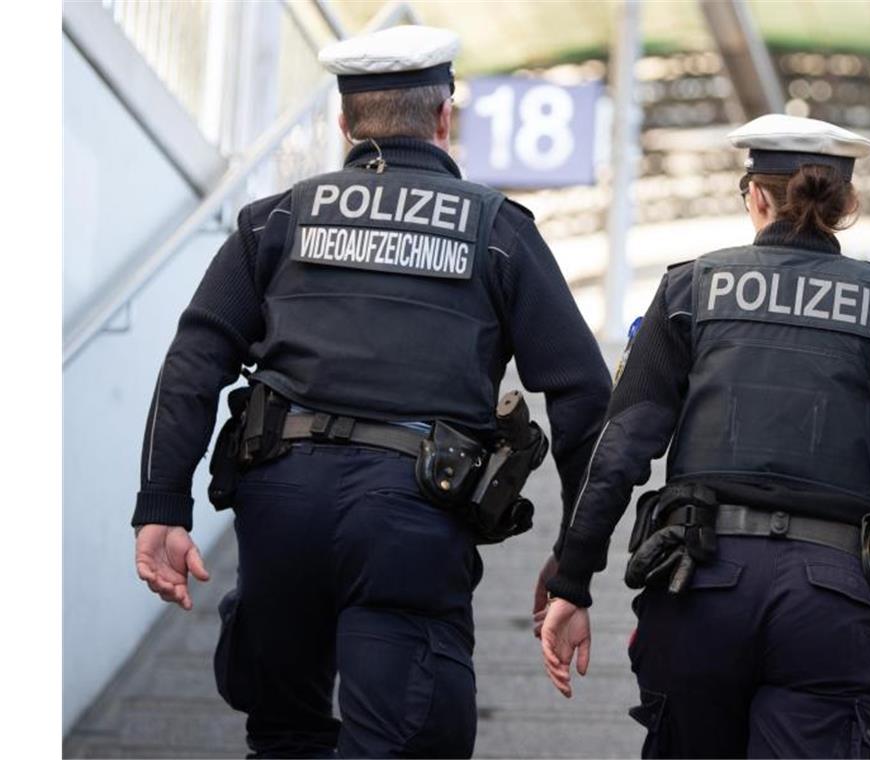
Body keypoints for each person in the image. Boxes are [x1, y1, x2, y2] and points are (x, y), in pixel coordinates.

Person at [131, 24, 611, 759]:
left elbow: (196, 355)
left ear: (344, 122)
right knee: (405, 739)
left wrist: (163, 503)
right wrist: (574, 561)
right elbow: (583, 395)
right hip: (410, 521)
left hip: (279, 509)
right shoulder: (496, 233)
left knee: (283, 734)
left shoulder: (278, 219)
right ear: (444, 117)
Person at [539, 114, 870, 758]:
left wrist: (573, 579)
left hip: (699, 583)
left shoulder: (690, 289)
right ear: (845, 205)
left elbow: (621, 447)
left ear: (756, 197)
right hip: (832, 600)